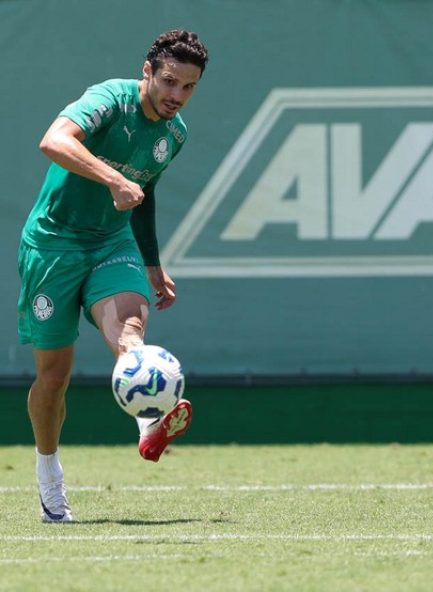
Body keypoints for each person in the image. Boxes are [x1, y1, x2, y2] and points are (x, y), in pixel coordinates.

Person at [17, 30, 209, 523]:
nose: (176, 96)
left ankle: (150, 420)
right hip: (53, 246)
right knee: (54, 378)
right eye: (169, 82)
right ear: (147, 71)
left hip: (112, 243)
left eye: (188, 87)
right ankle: (49, 476)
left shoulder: (175, 135)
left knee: (130, 337)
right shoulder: (109, 99)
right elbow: (53, 141)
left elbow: (143, 196)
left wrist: (152, 261)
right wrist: (114, 178)